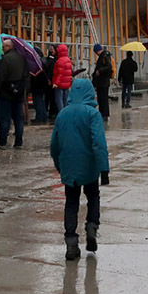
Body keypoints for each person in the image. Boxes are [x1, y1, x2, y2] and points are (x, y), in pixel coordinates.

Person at [50, 77, 110, 260]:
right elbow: (99, 143)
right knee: (93, 196)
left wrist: (59, 165)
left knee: (71, 202)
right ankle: (91, 227)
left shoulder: (63, 114)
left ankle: (71, 243)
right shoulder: (92, 114)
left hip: (69, 166)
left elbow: (54, 144)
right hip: (89, 166)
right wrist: (104, 169)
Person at [0, 38, 29, 149]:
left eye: (3, 47)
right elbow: (26, 75)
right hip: (19, 93)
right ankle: (19, 142)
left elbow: (1, 77)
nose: (2, 49)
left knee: (5, 119)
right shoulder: (22, 58)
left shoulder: (6, 59)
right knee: (18, 119)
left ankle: (3, 142)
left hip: (6, 93)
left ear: (9, 47)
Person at [91, 44, 114, 121]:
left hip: (103, 82)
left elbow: (109, 66)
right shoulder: (104, 56)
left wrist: (99, 71)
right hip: (102, 82)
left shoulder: (105, 56)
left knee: (103, 99)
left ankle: (104, 115)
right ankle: (103, 114)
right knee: (101, 99)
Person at [51, 44, 74, 114]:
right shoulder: (68, 60)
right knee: (66, 101)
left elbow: (60, 74)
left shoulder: (60, 61)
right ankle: (67, 115)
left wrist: (56, 83)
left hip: (60, 85)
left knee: (59, 101)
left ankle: (62, 115)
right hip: (67, 84)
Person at [30, 59, 51, 124]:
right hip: (41, 87)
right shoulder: (41, 65)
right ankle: (42, 117)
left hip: (37, 87)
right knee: (41, 102)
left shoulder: (36, 68)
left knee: (38, 102)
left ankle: (40, 118)